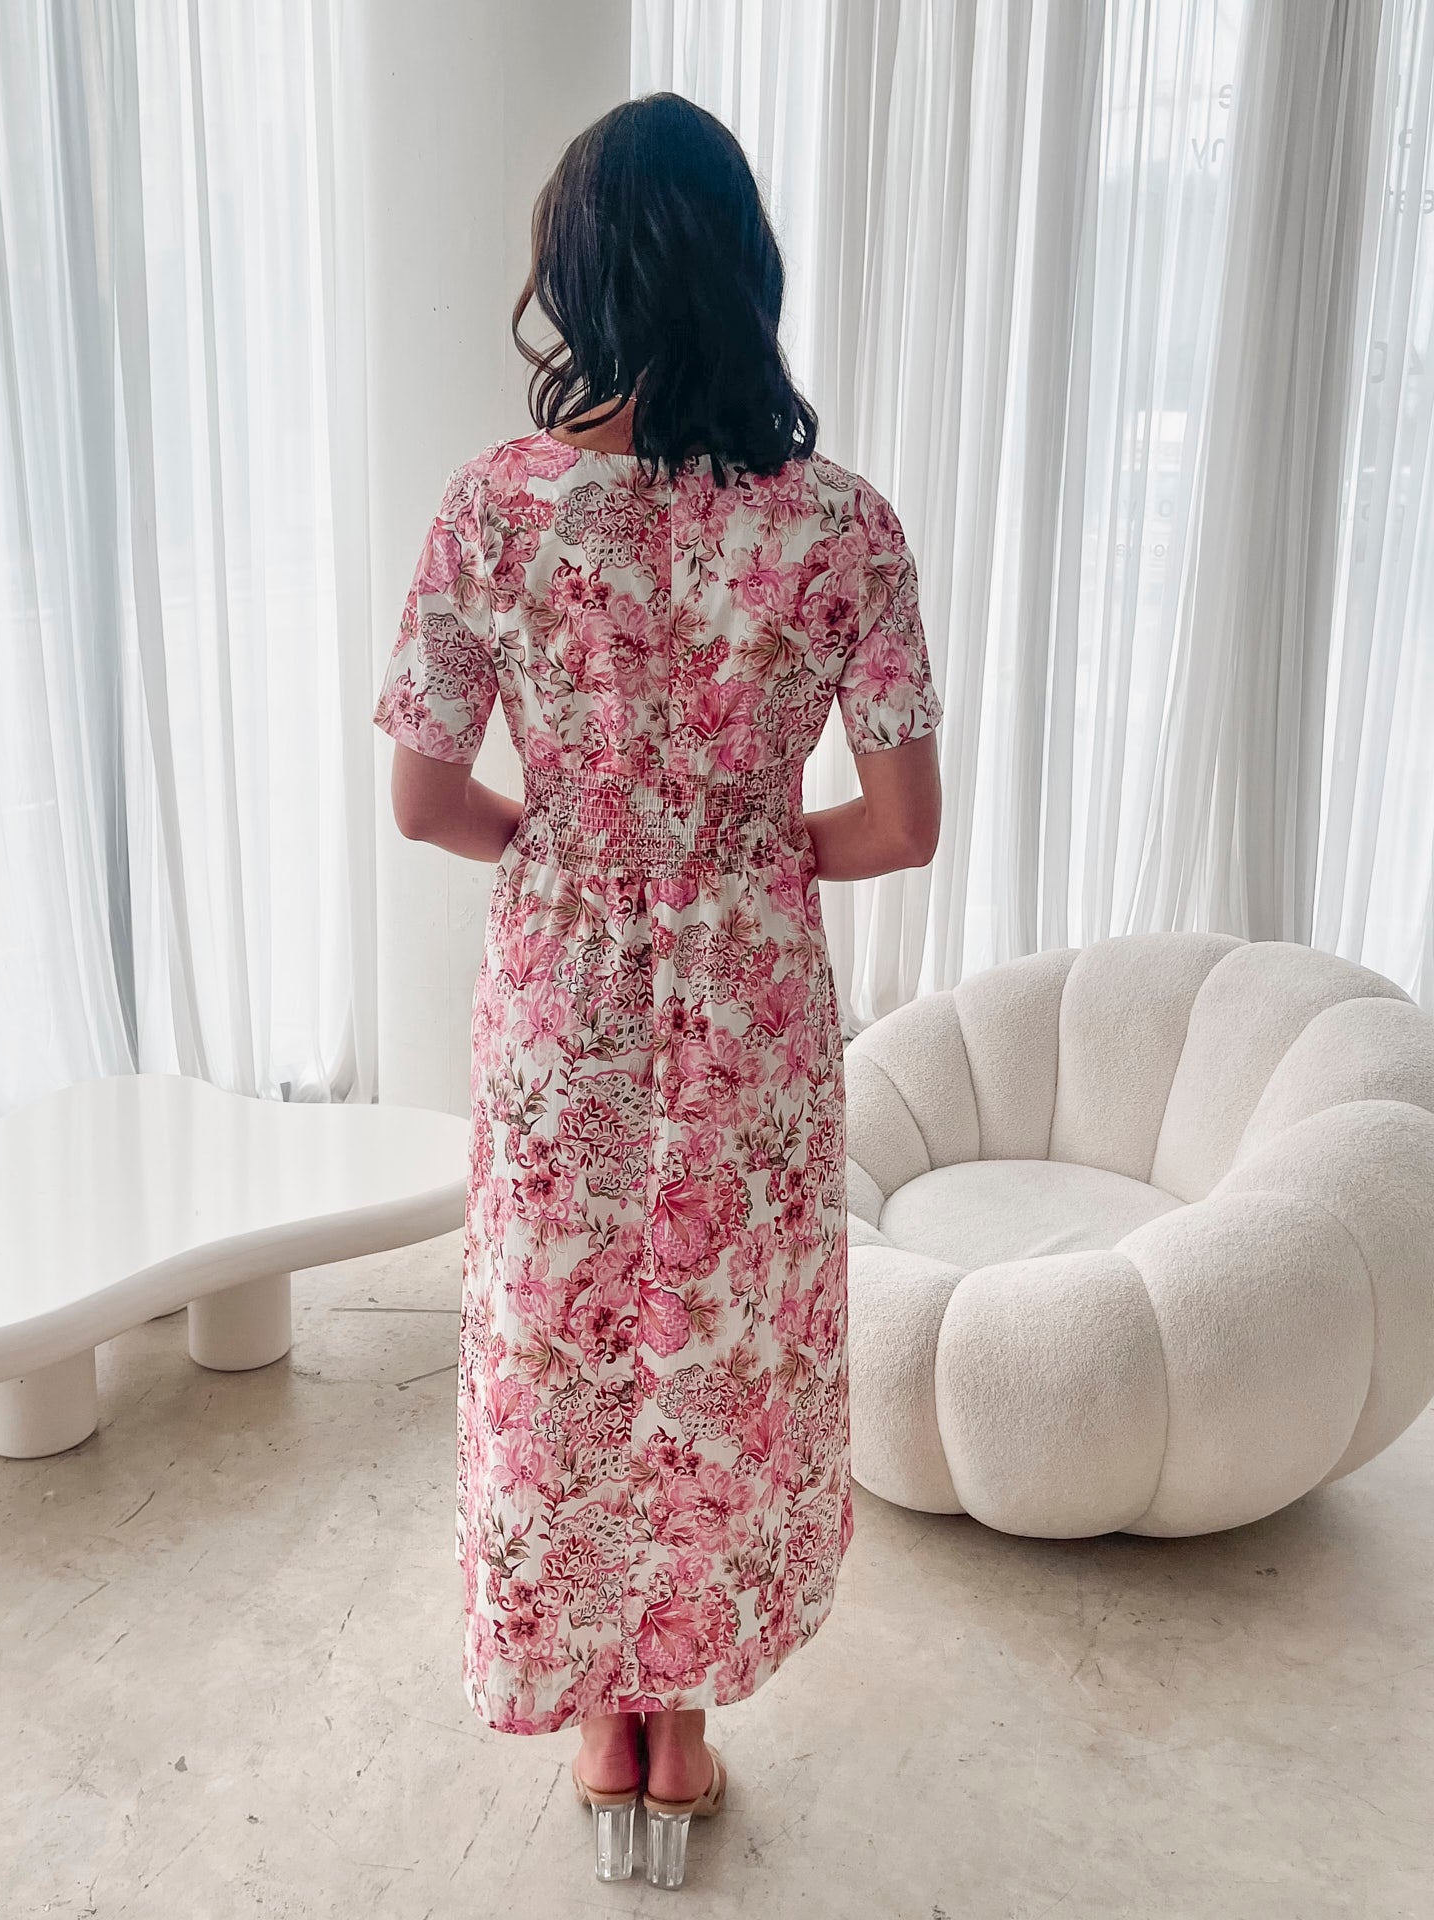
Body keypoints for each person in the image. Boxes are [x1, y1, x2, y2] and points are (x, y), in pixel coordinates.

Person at [373, 90, 942, 1889]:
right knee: (723, 1343)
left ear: (579, 275)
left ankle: (599, 1706)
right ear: (746, 271)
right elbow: (906, 825)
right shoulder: (846, 529)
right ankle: (677, 1726)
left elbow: (420, 794)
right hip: (752, 1007)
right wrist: (748, 856)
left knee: (566, 1331)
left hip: (557, 1003)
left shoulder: (498, 510)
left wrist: (567, 838)